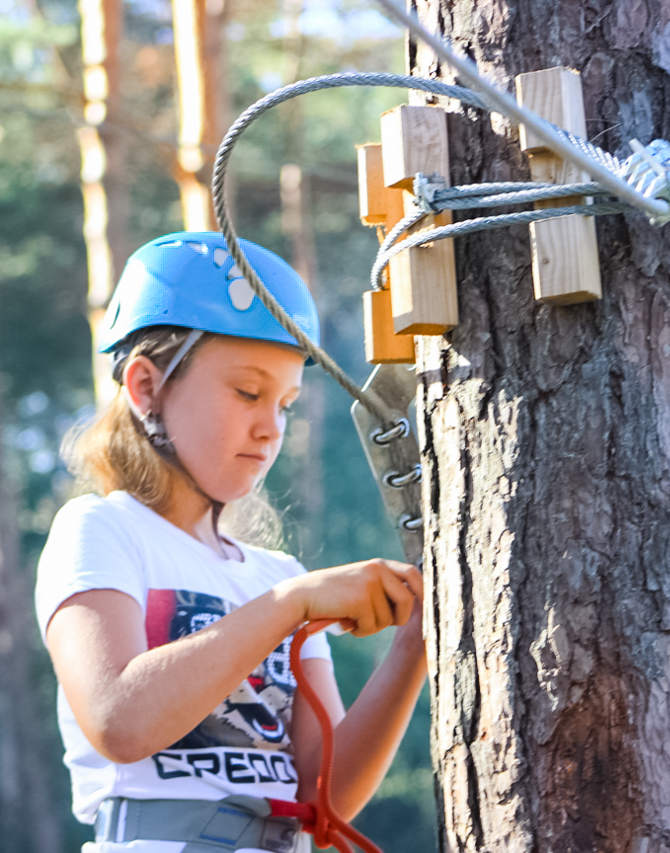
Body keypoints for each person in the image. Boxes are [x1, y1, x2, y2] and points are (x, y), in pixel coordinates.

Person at [34, 232, 427, 853]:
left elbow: (324, 793)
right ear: (146, 388)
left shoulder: (278, 574)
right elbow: (120, 720)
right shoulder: (101, 531)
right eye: (248, 392)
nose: (270, 428)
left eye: (286, 404)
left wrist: (417, 642)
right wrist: (292, 605)